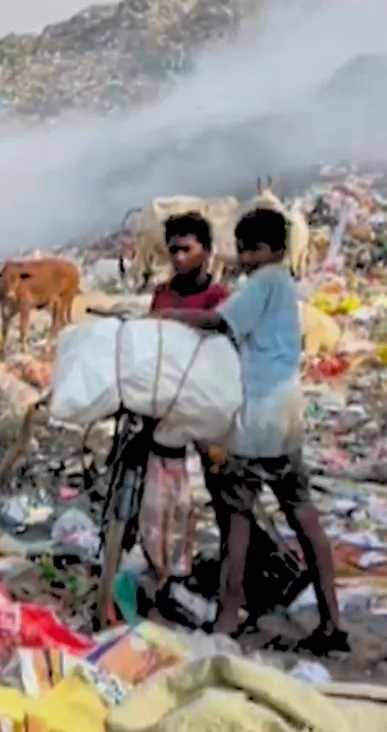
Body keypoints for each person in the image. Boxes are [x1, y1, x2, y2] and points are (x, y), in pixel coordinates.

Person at [151, 207, 348, 654]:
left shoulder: (263, 284)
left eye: (252, 248)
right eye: (241, 248)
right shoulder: (284, 285)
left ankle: (226, 617)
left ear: (275, 249)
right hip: (287, 414)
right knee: (303, 514)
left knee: (236, 518)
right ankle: (332, 618)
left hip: (256, 415)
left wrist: (169, 319)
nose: (244, 257)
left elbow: (218, 321)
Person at [138, 213, 230, 586]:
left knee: (221, 487)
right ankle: (162, 561)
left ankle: (230, 564)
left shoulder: (219, 298)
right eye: (172, 250)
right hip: (165, 402)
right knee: (157, 487)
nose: (177, 257)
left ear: (206, 253)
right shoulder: (162, 293)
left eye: (186, 249)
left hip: (206, 403)